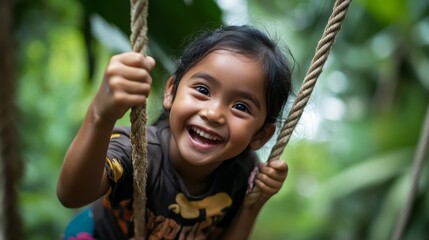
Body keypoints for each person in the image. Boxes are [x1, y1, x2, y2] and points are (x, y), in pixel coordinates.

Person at [57, 25, 294, 240]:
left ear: (260, 136)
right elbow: (71, 195)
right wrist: (101, 115)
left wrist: (253, 204)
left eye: (241, 107)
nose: (213, 114)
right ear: (171, 91)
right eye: (202, 90)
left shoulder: (241, 174)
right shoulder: (139, 149)